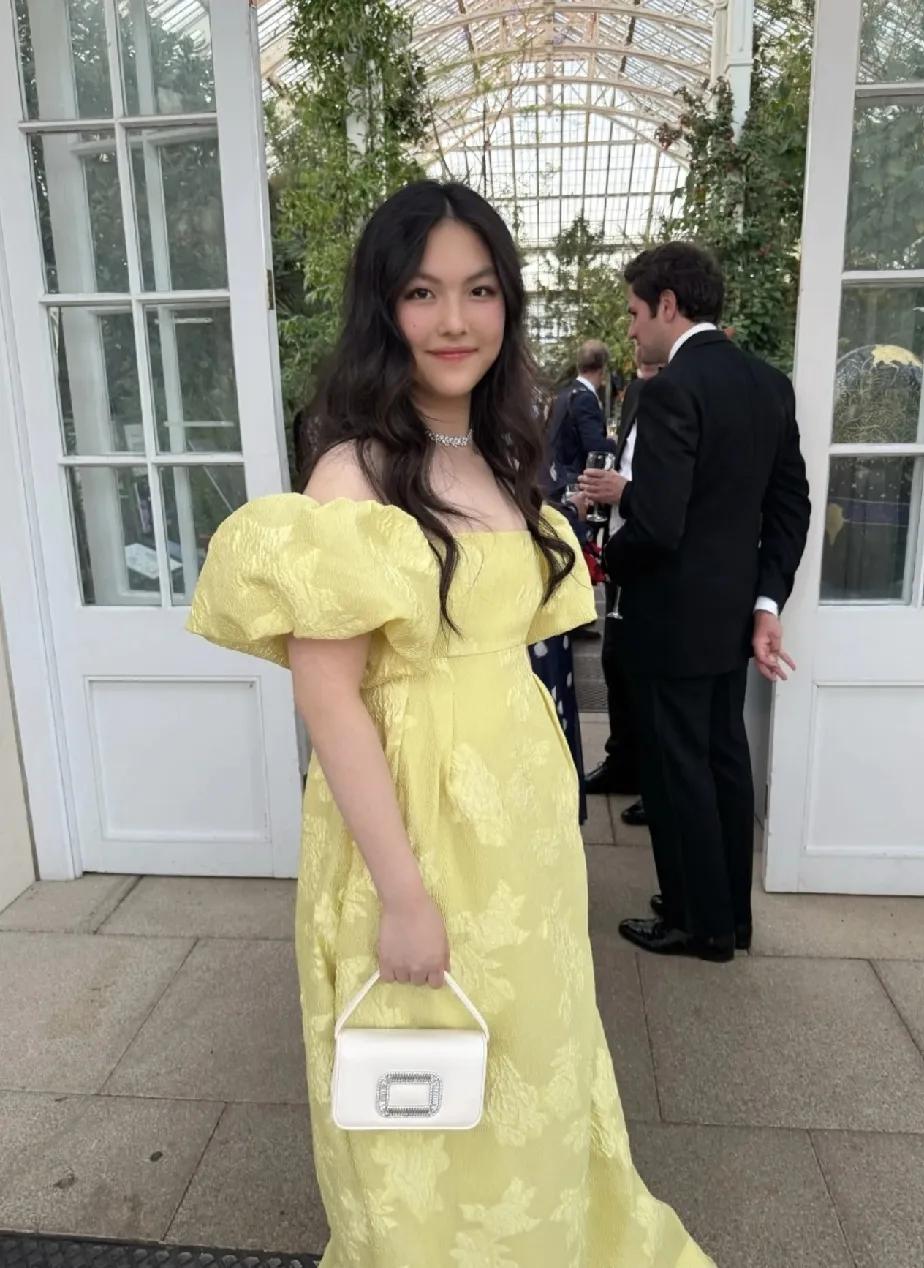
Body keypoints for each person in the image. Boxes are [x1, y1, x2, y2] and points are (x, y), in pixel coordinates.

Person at [187, 184, 714, 1266]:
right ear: (384, 307)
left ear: (506, 304)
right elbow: (327, 694)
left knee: (535, 1066)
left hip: (520, 832)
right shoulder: (354, 473)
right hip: (415, 830)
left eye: (479, 290)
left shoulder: (501, 451)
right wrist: (404, 895)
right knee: (426, 1102)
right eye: (424, 293)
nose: (456, 320)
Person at [587, 242, 810, 963]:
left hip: (671, 615)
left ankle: (696, 921)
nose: (630, 328)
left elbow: (658, 522)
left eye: (634, 312)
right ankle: (729, 914)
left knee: (676, 767)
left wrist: (607, 566)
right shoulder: (769, 384)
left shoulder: (672, 389)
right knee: (723, 759)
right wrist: (767, 601)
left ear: (668, 305)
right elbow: (791, 506)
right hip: (734, 611)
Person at [584, 354, 663, 828]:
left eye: (635, 318)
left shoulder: (686, 392)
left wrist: (624, 492)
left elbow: (675, 488)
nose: (631, 333)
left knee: (649, 676)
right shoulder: (635, 391)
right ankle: (624, 762)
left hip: (659, 560)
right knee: (614, 661)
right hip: (621, 550)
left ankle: (656, 782)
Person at [547, 338, 617, 493]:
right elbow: (595, 448)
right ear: (602, 369)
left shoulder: (564, 394)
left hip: (556, 478)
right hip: (574, 485)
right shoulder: (585, 398)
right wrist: (613, 441)